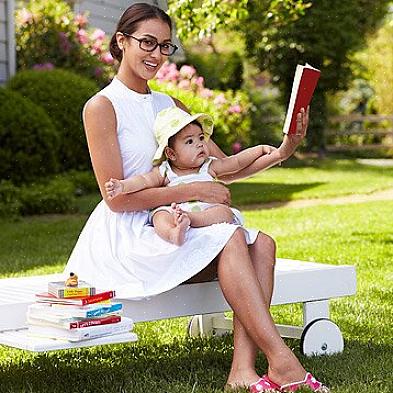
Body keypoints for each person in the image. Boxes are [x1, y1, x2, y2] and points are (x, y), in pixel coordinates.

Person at [64, 3, 329, 392]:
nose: (156, 54)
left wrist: (286, 148)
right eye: (147, 43)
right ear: (121, 41)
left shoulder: (171, 107)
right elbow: (116, 199)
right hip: (129, 235)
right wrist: (191, 191)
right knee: (232, 234)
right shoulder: (102, 107)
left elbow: (222, 167)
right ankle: (283, 361)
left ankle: (242, 371)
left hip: (181, 222)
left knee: (264, 244)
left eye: (165, 46)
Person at [105, 106, 279, 246]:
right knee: (159, 215)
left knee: (224, 212)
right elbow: (143, 181)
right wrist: (122, 186)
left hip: (206, 211)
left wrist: (260, 150)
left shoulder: (209, 165)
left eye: (201, 138)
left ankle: (192, 220)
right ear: (171, 154)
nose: (200, 145)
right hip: (176, 211)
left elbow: (236, 162)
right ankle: (174, 233)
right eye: (190, 141)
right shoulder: (165, 170)